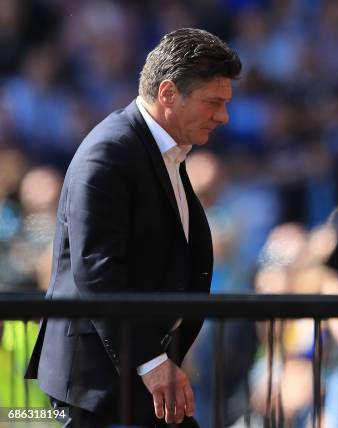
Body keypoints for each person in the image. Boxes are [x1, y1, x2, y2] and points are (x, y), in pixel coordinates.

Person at [24, 28, 241, 427]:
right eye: (214, 102)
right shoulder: (110, 153)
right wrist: (152, 361)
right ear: (168, 93)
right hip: (101, 385)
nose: (223, 116)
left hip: (133, 376)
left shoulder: (161, 150)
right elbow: (97, 269)